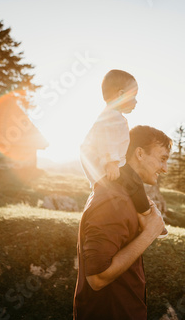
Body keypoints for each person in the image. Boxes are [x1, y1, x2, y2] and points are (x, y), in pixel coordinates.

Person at [73, 125, 172, 319]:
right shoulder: (113, 200)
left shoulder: (126, 195)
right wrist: (149, 234)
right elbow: (97, 278)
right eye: (162, 159)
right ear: (140, 154)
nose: (165, 169)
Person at [80, 69, 167, 236]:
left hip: (106, 166)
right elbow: (108, 141)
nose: (136, 102)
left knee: (131, 189)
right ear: (121, 95)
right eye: (133, 96)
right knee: (135, 183)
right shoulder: (113, 118)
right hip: (110, 165)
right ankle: (150, 218)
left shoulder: (111, 116)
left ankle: (145, 216)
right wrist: (111, 162)